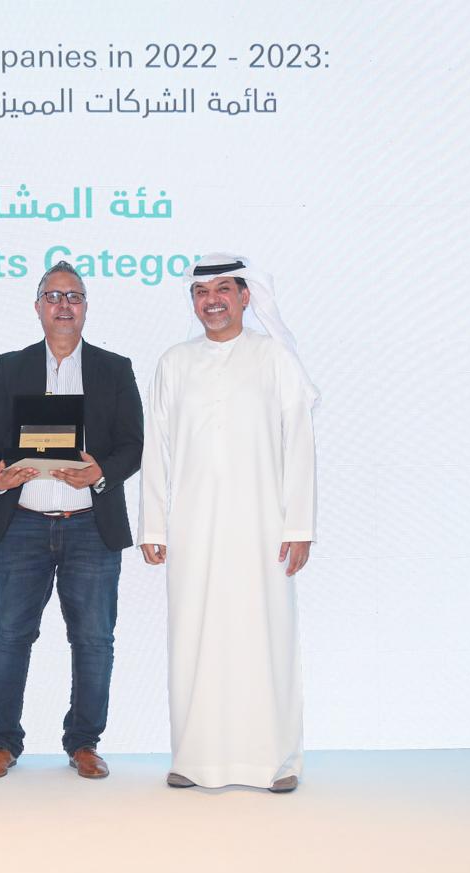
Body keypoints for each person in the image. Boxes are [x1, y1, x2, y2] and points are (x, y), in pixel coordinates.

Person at [138, 253, 319, 793]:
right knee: (194, 638)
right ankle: (194, 759)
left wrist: (299, 526)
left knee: (265, 638)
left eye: (223, 289)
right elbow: (156, 451)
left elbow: (299, 443)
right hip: (193, 530)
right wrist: (153, 527)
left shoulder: (274, 358)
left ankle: (276, 762)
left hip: (263, 529)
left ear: (245, 296)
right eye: (201, 292)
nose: (212, 300)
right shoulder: (174, 363)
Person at [0, 261, 144, 780]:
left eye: (74, 296)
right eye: (54, 296)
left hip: (91, 527)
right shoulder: (10, 367)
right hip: (21, 525)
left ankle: (84, 743)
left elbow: (133, 445)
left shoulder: (115, 369)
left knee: (94, 640)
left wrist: (100, 472)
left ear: (86, 307)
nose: (64, 305)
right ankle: (2, 744)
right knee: (9, 636)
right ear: (38, 306)